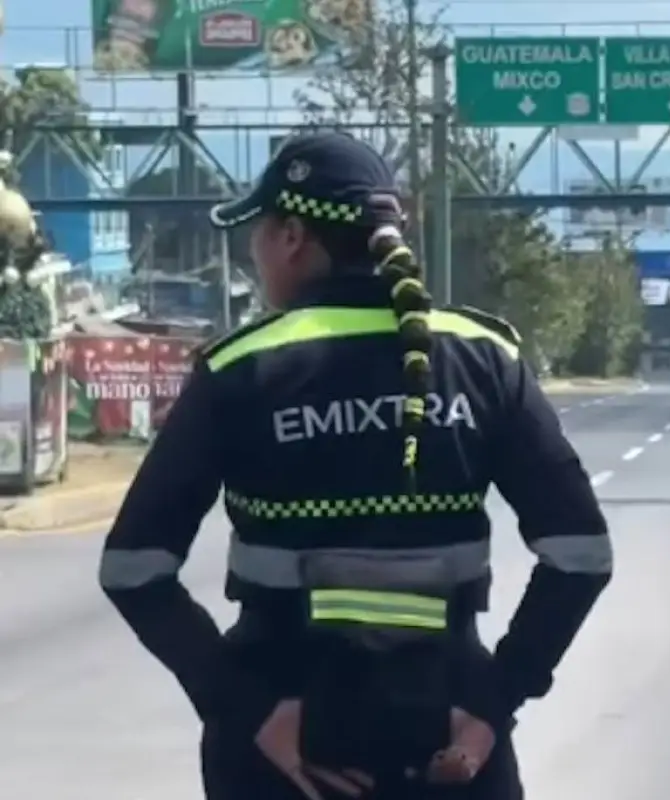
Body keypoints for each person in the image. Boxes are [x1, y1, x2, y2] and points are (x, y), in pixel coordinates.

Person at [98, 132, 613, 800]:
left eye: (256, 233)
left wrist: (248, 710)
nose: (252, 252)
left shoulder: (241, 368)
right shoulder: (486, 359)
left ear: (291, 237)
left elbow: (134, 568)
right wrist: (492, 704)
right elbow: (581, 555)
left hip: (285, 745)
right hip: (450, 738)